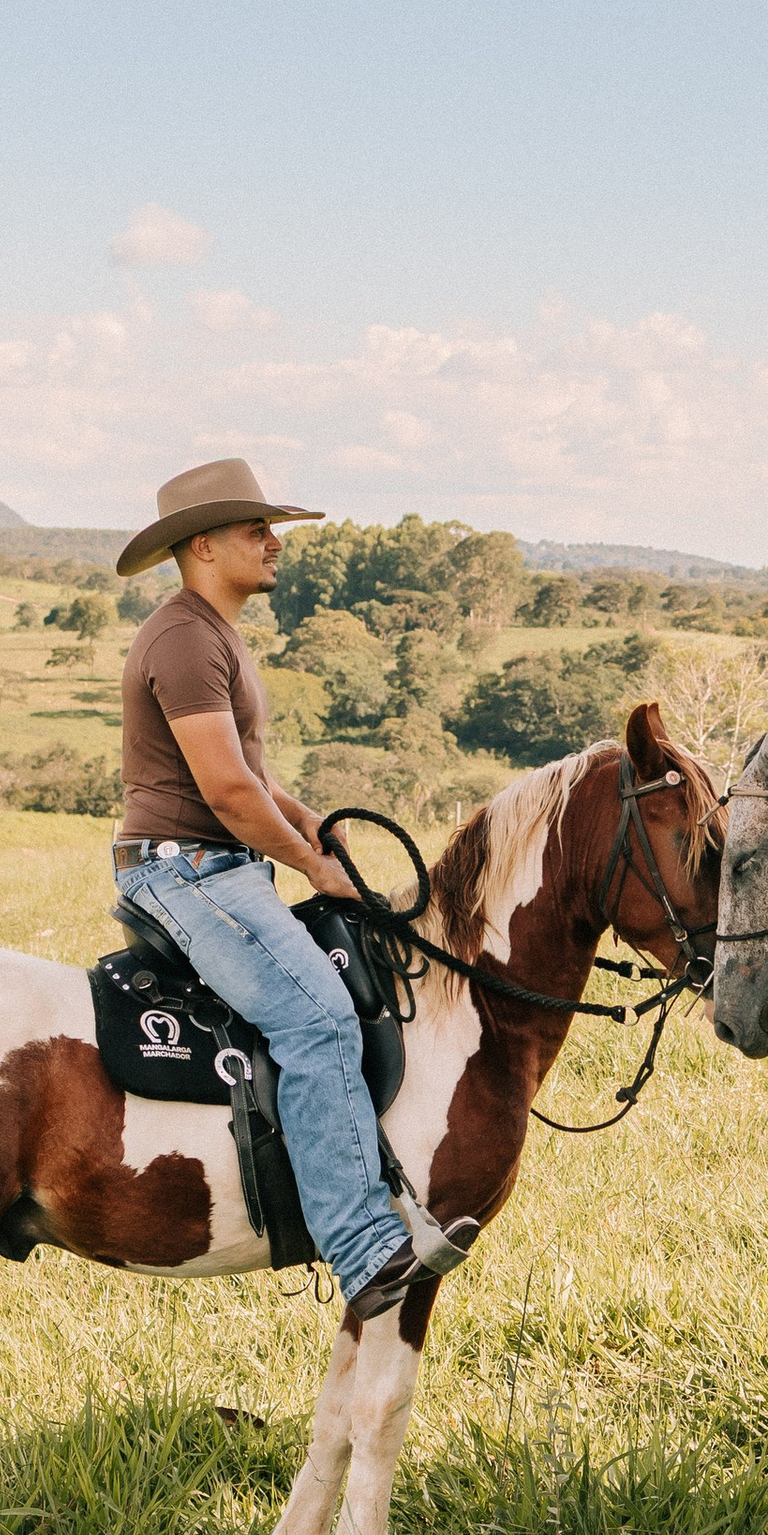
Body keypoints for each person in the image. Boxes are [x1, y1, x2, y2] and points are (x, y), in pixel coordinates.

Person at [110, 457, 468, 1325]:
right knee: (316, 1017)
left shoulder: (215, 632)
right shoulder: (187, 640)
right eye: (255, 530)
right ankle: (360, 1248)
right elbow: (227, 796)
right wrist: (309, 866)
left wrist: (309, 824)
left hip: (215, 860)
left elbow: (251, 780)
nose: (276, 544)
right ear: (202, 546)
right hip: (186, 867)